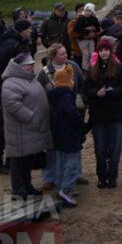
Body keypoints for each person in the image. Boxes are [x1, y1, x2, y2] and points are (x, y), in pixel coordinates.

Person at [36, 43, 87, 191]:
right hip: (53, 116)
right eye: (62, 54)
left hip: (73, 111)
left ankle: (76, 174)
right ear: (53, 57)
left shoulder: (73, 67)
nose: (66, 56)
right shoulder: (44, 73)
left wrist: (80, 102)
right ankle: (49, 177)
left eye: (66, 53)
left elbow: (81, 85)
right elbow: (41, 94)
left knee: (74, 145)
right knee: (52, 148)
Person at [1, 52, 51, 198]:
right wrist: (31, 117)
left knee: (27, 161)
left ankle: (27, 186)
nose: (32, 67)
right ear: (21, 67)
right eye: (29, 65)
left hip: (31, 130)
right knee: (19, 161)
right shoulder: (11, 82)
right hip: (21, 130)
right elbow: (13, 104)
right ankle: (18, 190)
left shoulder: (30, 79)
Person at [0, 19, 33, 175]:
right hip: (8, 89)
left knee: (16, 125)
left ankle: (10, 158)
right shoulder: (10, 44)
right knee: (4, 126)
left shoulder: (22, 43)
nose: (31, 31)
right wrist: (1, 90)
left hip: (19, 88)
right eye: (29, 29)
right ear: (22, 31)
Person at [85, 38, 122, 188]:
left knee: (115, 147)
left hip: (115, 113)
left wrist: (111, 92)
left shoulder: (119, 68)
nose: (104, 53)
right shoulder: (93, 69)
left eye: (106, 50)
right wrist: (96, 93)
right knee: (100, 147)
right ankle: (101, 176)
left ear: (111, 51)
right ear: (98, 52)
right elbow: (86, 90)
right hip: (98, 114)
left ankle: (112, 175)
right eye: (101, 50)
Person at [47, 65, 84, 208]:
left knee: (61, 161)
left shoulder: (55, 96)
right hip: (69, 134)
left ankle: (61, 186)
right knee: (72, 163)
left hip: (59, 134)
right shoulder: (66, 95)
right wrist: (80, 123)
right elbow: (72, 114)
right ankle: (66, 190)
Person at [75, 4, 102, 71]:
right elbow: (76, 29)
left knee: (92, 54)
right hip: (82, 39)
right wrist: (87, 29)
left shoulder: (94, 19)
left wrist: (94, 30)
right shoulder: (81, 18)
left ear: (92, 12)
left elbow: (98, 28)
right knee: (86, 54)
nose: (87, 12)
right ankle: (85, 69)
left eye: (89, 11)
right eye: (86, 10)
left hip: (91, 39)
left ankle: (92, 68)